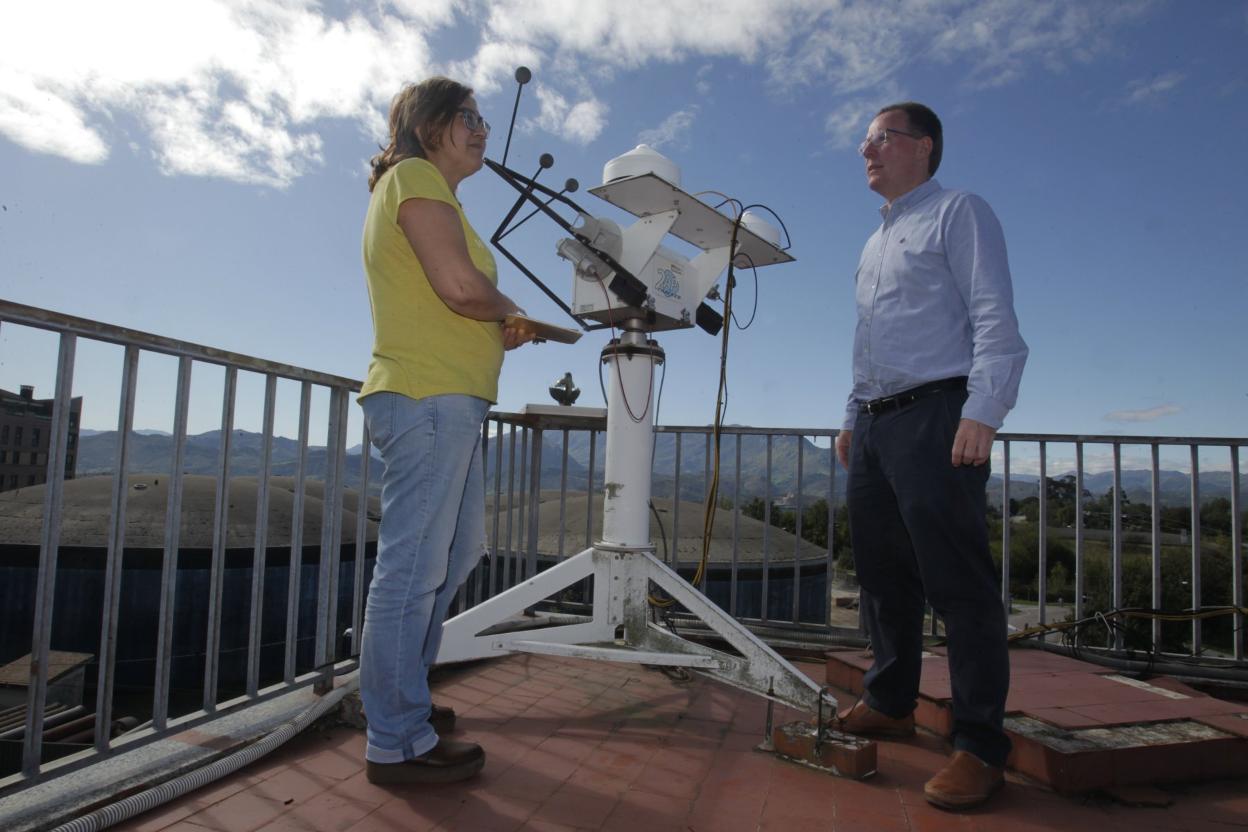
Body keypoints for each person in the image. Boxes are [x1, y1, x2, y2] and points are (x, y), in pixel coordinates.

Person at [833, 102, 1028, 810]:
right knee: (883, 574)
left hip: (939, 413)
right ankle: (891, 698)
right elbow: (870, 339)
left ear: (925, 146)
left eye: (881, 137)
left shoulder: (959, 212)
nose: (867, 149)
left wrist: (983, 410)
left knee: (958, 583)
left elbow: (994, 317)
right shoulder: (873, 242)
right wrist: (852, 416)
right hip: (878, 424)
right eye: (866, 140)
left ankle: (979, 746)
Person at [357, 77, 533, 785]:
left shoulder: (434, 192)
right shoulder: (416, 178)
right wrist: (510, 306)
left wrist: (503, 325)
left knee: (456, 556)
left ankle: (406, 700)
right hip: (427, 395)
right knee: (412, 570)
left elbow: (461, 297)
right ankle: (395, 741)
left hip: (450, 399)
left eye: (483, 118)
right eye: (469, 117)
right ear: (428, 125)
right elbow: (461, 290)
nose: (483, 128)